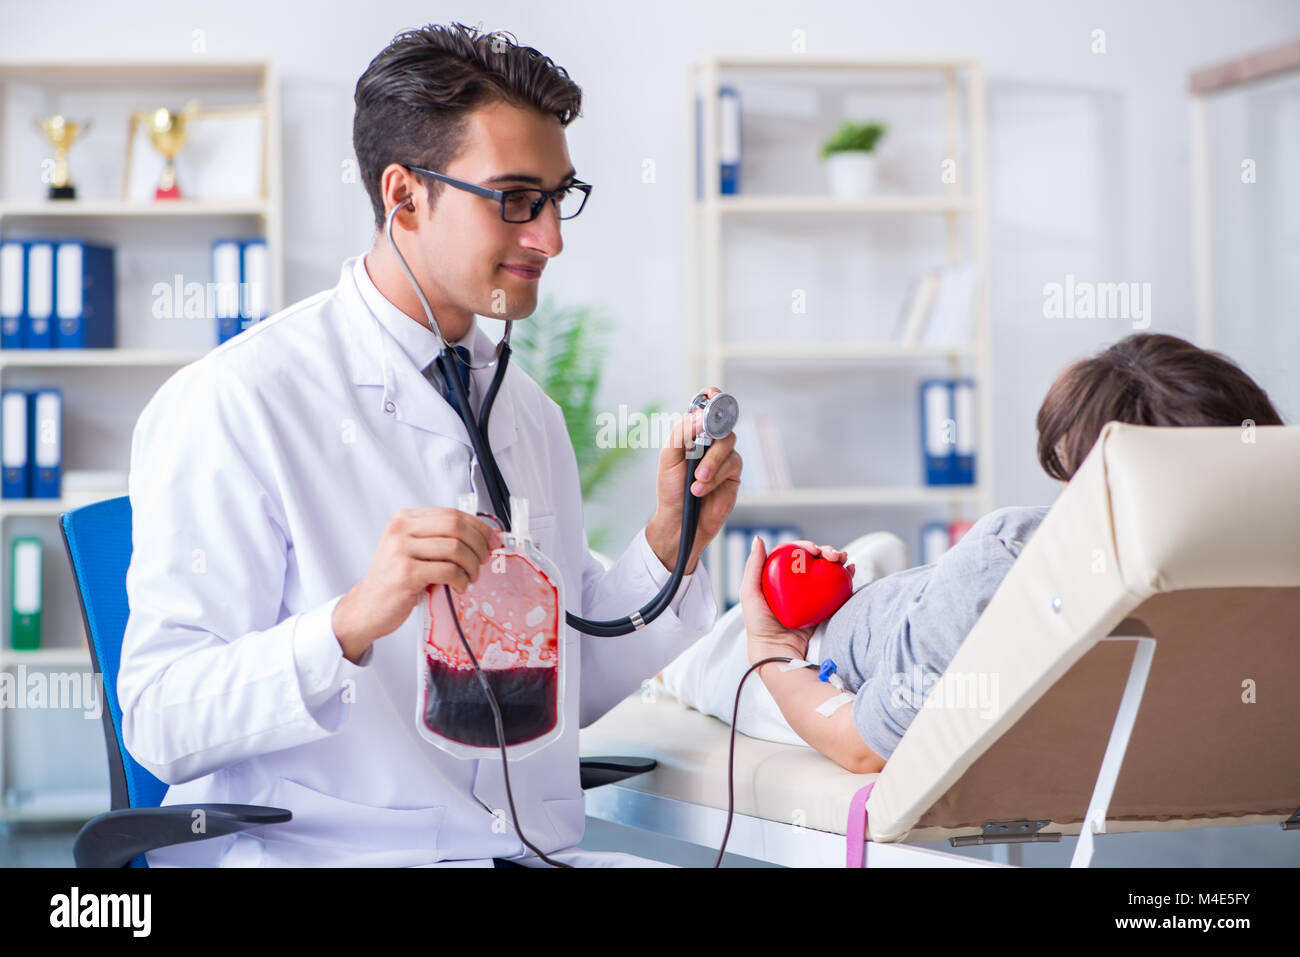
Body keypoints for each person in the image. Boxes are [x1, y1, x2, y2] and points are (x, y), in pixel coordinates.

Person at [118, 22, 741, 867]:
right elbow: (160, 717)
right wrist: (348, 621)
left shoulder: (527, 413)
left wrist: (674, 543)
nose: (550, 237)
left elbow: (563, 689)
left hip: (523, 852)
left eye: (560, 196)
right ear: (405, 195)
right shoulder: (237, 401)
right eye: (517, 198)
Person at [723, 333, 1283, 773]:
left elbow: (863, 748)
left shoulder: (1003, 559)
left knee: (861, 575)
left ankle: (868, 571)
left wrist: (770, 648)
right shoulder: (1270, 567)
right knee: (881, 564)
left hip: (811, 657)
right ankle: (873, 565)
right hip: (850, 623)